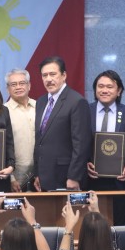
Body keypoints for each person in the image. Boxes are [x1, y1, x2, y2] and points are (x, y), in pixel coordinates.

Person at [33, 56, 92, 191]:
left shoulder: (77, 101)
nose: (48, 79)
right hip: (44, 177)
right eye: (44, 75)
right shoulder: (41, 102)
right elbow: (40, 141)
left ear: (64, 75)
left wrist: (74, 177)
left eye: (53, 74)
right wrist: (37, 173)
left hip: (66, 177)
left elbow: (81, 144)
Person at [86, 70, 125, 226]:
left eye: (109, 86)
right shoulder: (85, 111)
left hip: (120, 180)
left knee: (119, 223)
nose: (104, 90)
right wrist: (85, 163)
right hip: (91, 179)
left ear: (118, 90)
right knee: (92, 223)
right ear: (95, 90)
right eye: (100, 86)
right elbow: (78, 142)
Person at [4, 69, 36, 192]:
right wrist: (10, 178)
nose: (18, 87)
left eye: (22, 83)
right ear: (8, 89)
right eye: (13, 84)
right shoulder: (2, 111)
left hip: (39, 176)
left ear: (29, 86)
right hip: (14, 177)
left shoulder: (41, 107)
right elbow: (2, 148)